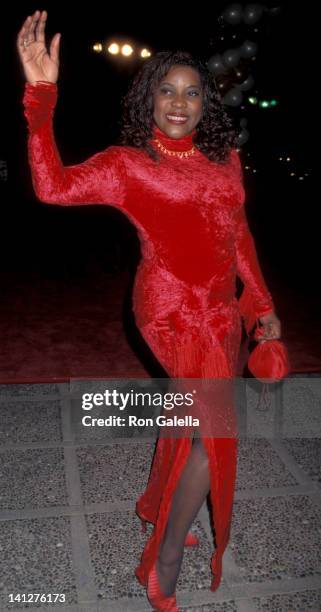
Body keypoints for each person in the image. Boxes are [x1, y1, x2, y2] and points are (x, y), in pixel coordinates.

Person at [17, 10, 281, 611]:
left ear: (205, 102)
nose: (179, 103)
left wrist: (259, 305)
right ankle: (163, 558)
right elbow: (51, 186)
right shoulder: (128, 165)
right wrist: (41, 97)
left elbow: (238, 235)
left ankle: (152, 504)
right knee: (215, 430)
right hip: (169, 311)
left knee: (192, 416)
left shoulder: (224, 158)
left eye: (191, 92)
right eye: (167, 90)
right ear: (149, 98)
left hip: (219, 312)